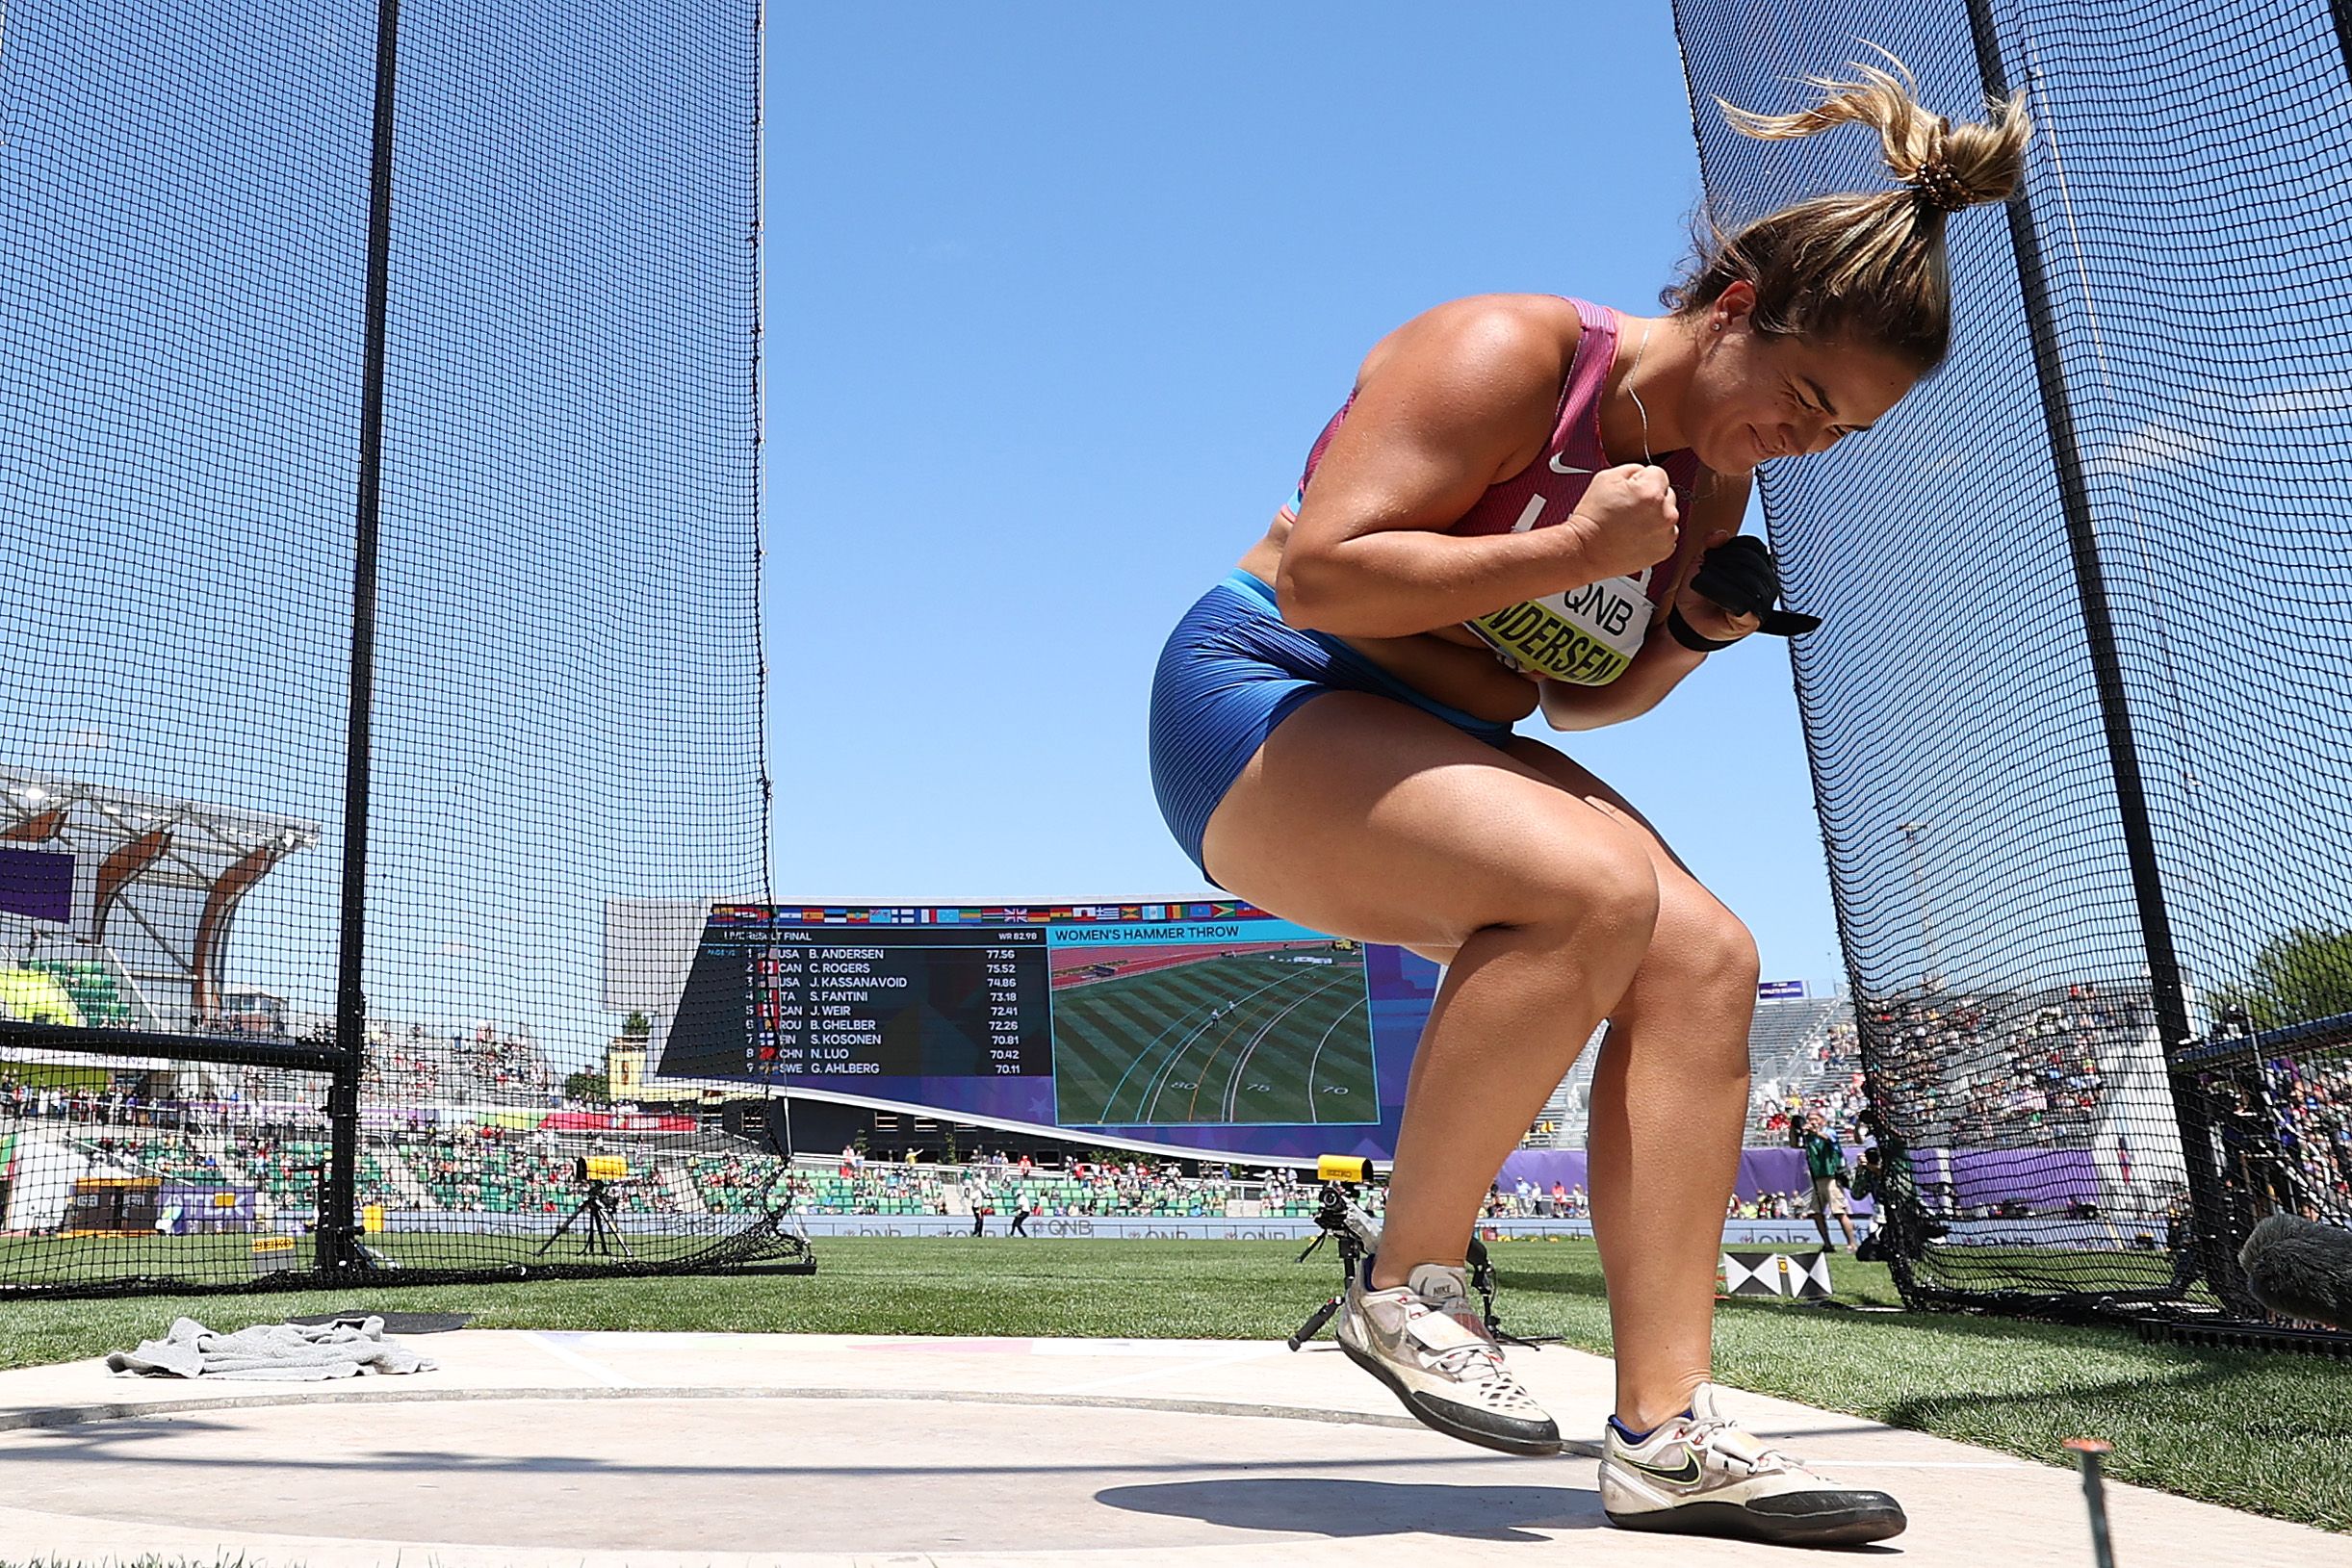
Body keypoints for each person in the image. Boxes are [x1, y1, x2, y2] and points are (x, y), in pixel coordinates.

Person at [1145, 49, 2024, 1548]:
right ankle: (1403, 1285)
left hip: (1436, 724)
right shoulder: (1501, 351)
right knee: (1591, 892)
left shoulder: (1712, 486)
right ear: (1733, 305)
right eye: (1804, 398)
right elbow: (1321, 571)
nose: (1804, 443)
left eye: (1840, 435)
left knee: (1706, 958)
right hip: (1261, 700)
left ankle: (1662, 1434)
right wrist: (1566, 550)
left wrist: (1689, 630)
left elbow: (1577, 694)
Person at [1800, 1112, 1859, 1253]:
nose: (1812, 1122)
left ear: (1822, 1121)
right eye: (1810, 1119)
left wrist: (1814, 1131)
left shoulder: (1829, 1131)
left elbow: (1828, 1139)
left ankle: (1852, 1243)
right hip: (1817, 1178)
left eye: (1815, 1119)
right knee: (1816, 1213)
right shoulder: (1808, 1137)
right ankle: (1827, 1244)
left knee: (1839, 1212)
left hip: (1832, 1177)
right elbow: (1794, 1144)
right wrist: (1795, 1129)